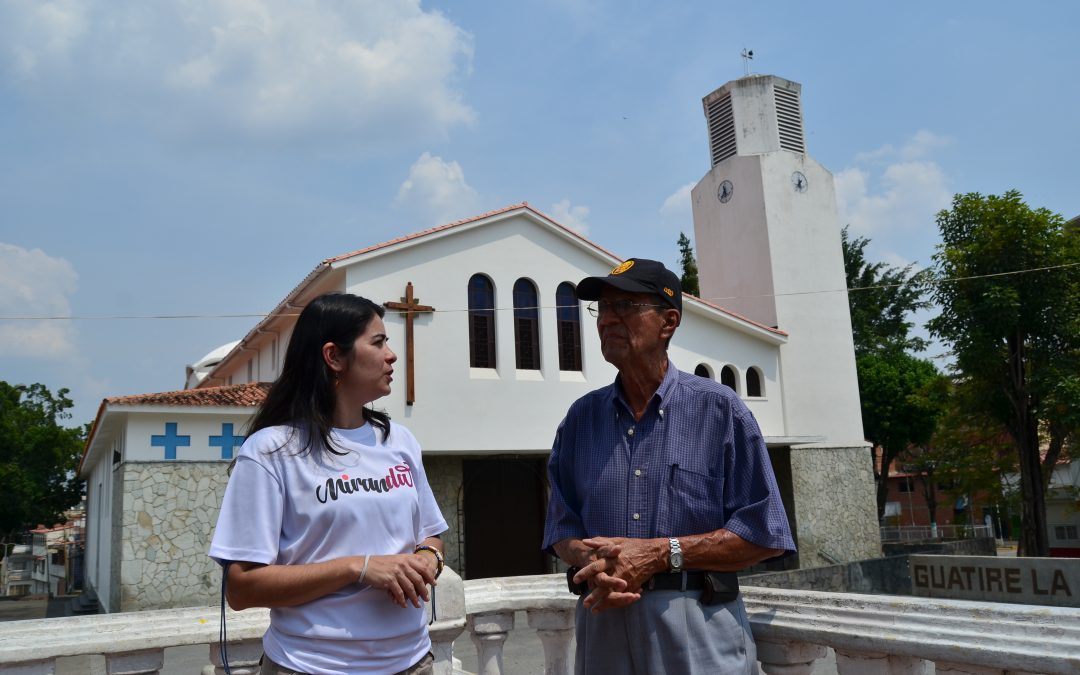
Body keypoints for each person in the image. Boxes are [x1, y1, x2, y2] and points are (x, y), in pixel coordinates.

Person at [542, 258, 796, 675]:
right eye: (602, 309)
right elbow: (561, 527)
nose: (607, 320)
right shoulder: (580, 419)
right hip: (603, 619)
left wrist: (662, 554)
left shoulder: (719, 411)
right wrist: (594, 562)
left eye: (623, 307)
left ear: (668, 321)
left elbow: (764, 534)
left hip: (695, 623)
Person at [209, 292, 448, 675]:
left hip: (412, 662)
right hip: (312, 666)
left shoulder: (399, 441)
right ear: (334, 357)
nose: (392, 355)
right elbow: (241, 588)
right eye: (378, 342)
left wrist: (426, 558)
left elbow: (431, 535)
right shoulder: (271, 451)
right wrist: (357, 567)